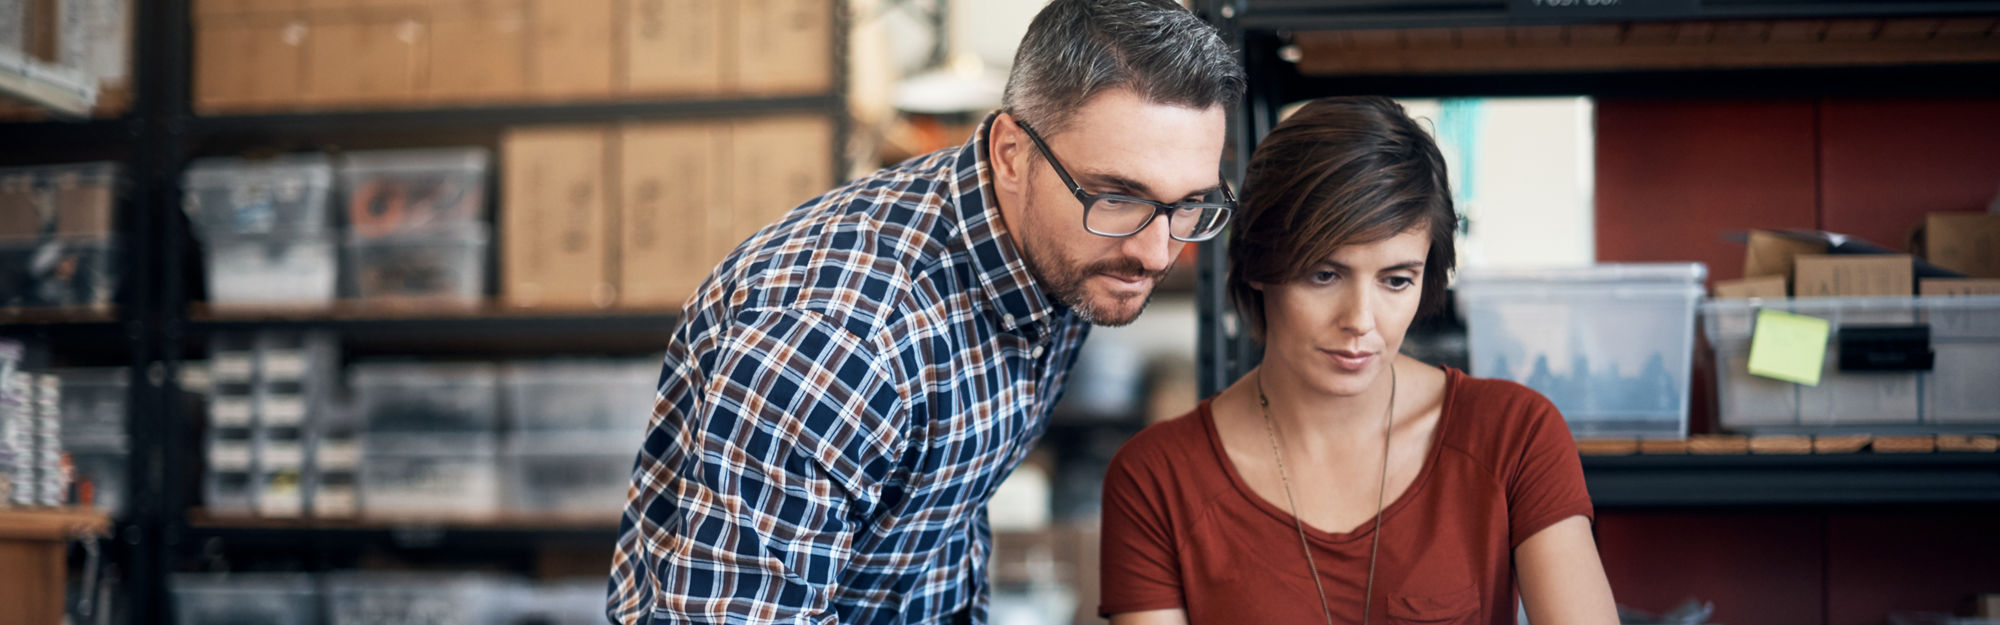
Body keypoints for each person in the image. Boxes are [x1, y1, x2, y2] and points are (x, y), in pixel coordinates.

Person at [606, 1, 1244, 622]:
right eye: (1117, 196)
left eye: (1189, 204)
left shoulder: (1067, 246)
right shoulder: (838, 341)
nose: (1157, 253)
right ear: (1010, 154)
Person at [1098, 97, 1619, 625]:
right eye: (1324, 275)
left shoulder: (1512, 436)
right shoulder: (1157, 480)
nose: (1361, 321)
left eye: (1396, 280)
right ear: (1258, 263)